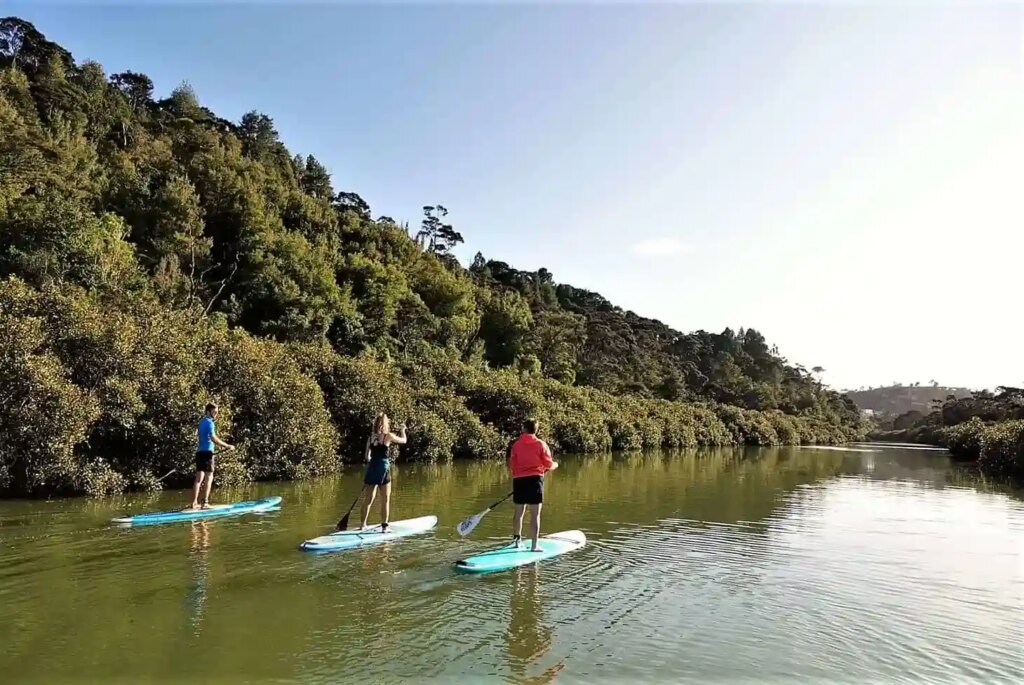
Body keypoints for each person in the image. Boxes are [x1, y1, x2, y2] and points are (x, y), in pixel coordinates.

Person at [507, 418, 558, 551]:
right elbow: (548, 464)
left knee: (519, 512)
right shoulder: (541, 444)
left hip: (519, 480)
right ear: (536, 430)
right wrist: (555, 465)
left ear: (524, 429)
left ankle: (517, 541)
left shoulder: (516, 445)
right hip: (535, 480)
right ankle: (534, 546)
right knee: (535, 514)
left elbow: (512, 465)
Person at [358, 413, 407, 531]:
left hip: (372, 469)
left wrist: (372, 460)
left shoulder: (370, 438)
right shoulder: (388, 436)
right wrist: (403, 430)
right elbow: (404, 441)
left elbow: (367, 457)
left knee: (368, 499)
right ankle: (384, 527)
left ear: (375, 423)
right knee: (385, 499)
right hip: (383, 469)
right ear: (385, 423)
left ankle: (362, 525)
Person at [189, 403, 235, 510]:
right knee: (209, 477)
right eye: (214, 412)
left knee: (198, 479)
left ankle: (194, 503)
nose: (216, 415)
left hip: (200, 453)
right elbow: (213, 438)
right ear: (208, 412)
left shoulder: (201, 422)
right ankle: (205, 503)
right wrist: (227, 445)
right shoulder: (210, 423)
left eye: (217, 412)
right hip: (207, 453)